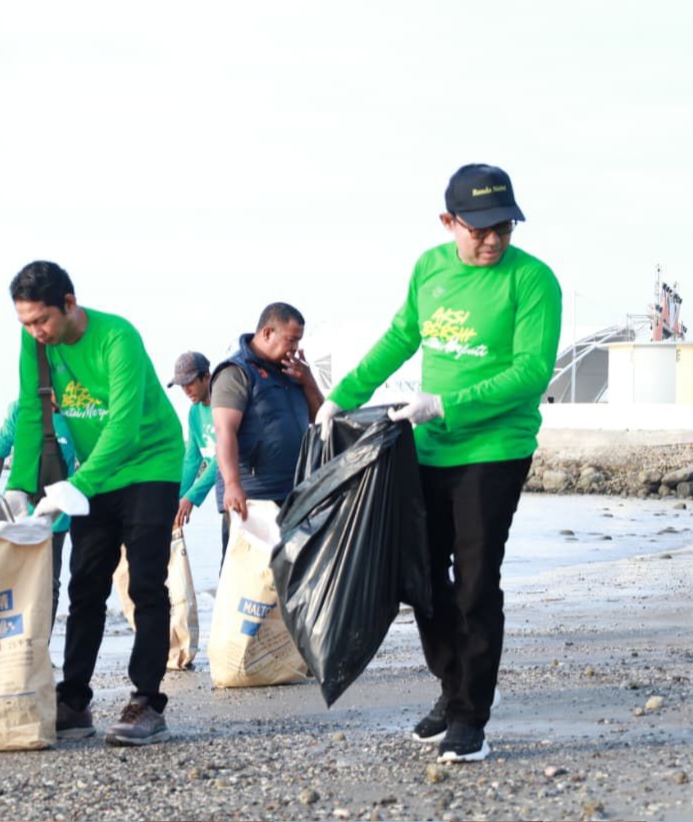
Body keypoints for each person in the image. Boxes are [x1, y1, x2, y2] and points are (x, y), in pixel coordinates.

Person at [315, 164, 562, 764]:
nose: (493, 240)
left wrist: (445, 404)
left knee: (476, 583)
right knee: (424, 579)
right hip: (428, 448)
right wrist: (341, 394)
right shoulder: (430, 268)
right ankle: (453, 688)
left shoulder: (532, 282)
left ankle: (470, 715)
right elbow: (402, 334)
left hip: (494, 449)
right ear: (448, 221)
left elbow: (530, 373)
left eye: (503, 227)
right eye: (478, 229)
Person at [4, 260, 183, 747]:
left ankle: (147, 702)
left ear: (69, 304)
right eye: (26, 323)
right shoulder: (35, 343)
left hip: (150, 462)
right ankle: (74, 699)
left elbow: (123, 428)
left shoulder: (117, 337)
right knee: (85, 585)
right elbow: (30, 410)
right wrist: (20, 485)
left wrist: (75, 484)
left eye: (41, 320)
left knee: (146, 581)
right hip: (94, 472)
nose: (35, 332)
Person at [212, 303, 325, 546]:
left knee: (290, 576)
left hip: (292, 494)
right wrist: (232, 484)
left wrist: (308, 381)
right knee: (246, 576)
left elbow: (321, 418)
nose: (295, 348)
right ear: (267, 333)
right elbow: (225, 432)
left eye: (298, 341)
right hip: (252, 498)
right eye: (291, 340)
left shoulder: (293, 371)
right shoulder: (236, 372)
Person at [0, 398, 78, 631]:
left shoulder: (77, 414)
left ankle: (39, 649)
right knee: (9, 580)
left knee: (49, 585)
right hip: (13, 512)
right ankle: (9, 642)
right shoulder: (21, 408)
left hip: (55, 518)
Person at [167, 351, 220, 549]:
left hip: (246, 490)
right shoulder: (194, 412)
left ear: (206, 377)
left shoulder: (224, 404)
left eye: (189, 383)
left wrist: (192, 497)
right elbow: (192, 459)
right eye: (182, 385)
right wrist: (177, 500)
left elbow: (222, 458)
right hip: (224, 493)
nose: (186, 390)